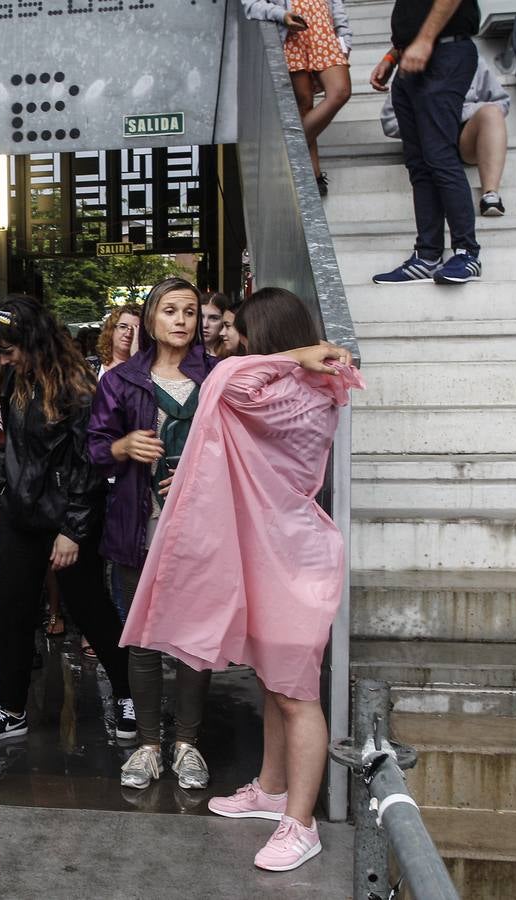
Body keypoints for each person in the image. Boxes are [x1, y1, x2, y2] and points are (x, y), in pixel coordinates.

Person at [121, 287, 361, 872]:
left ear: (265, 337)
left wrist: (292, 359)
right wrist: (295, 357)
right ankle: (272, 788)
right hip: (273, 549)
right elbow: (229, 378)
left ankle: (300, 824)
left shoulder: (291, 391)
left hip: (290, 556)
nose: (227, 338)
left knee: (296, 695)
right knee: (275, 685)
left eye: (238, 330)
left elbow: (225, 379)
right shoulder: (297, 383)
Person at [0, 296, 136, 746]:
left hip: (67, 515)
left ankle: (127, 694)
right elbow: (12, 447)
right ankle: (9, 708)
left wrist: (72, 528)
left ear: (33, 339)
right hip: (20, 513)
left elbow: (88, 462)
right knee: (14, 612)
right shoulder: (13, 377)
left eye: (10, 349)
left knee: (91, 609)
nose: (4, 358)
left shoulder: (78, 383)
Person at [89, 277, 216, 791]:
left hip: (204, 523)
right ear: (150, 318)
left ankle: (187, 743)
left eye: (190, 311)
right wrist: (123, 447)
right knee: (142, 636)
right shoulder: (121, 381)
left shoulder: (218, 376)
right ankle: (146, 744)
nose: (182, 320)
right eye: (170, 311)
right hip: (138, 522)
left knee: (192, 639)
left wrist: (200, 464)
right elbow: (93, 449)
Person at [370, 0, 483, 285]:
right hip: (413, 58)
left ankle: (467, 253)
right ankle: (427, 256)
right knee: (419, 164)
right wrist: (392, 56)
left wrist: (424, 40)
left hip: (444, 52)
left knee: (440, 155)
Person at [243, 0, 353, 196]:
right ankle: (313, 174)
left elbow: (336, 4)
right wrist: (281, 15)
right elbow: (250, 4)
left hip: (323, 30)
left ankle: (286, 151)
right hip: (292, 32)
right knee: (304, 105)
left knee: (340, 91)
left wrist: (344, 38)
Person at [379, 55, 509, 216]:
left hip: (465, 137)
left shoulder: (472, 58)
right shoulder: (413, 62)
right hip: (428, 140)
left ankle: (490, 194)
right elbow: (389, 122)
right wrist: (430, 119)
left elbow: (502, 102)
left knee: (492, 113)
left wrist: (456, 114)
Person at [92, 304, 142, 379]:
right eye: (123, 327)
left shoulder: (150, 370)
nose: (128, 334)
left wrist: (136, 360)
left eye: (135, 329)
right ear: (111, 330)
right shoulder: (90, 366)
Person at [200, 292, 236, 358]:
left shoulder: (233, 355)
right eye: (201, 317)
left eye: (213, 318)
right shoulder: (184, 351)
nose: (205, 325)